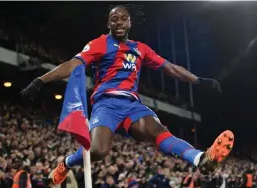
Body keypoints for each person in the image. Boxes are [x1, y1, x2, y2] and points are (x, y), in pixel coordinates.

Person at [20, 5, 235, 185]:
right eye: (115, 19)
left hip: (133, 104)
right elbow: (72, 64)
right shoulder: (99, 44)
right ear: (109, 24)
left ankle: (200, 159)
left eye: (124, 19)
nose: (120, 22)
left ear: (130, 23)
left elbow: (170, 67)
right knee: (97, 151)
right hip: (106, 104)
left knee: (156, 130)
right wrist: (40, 80)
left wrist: (198, 80)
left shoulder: (140, 48)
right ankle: (65, 163)